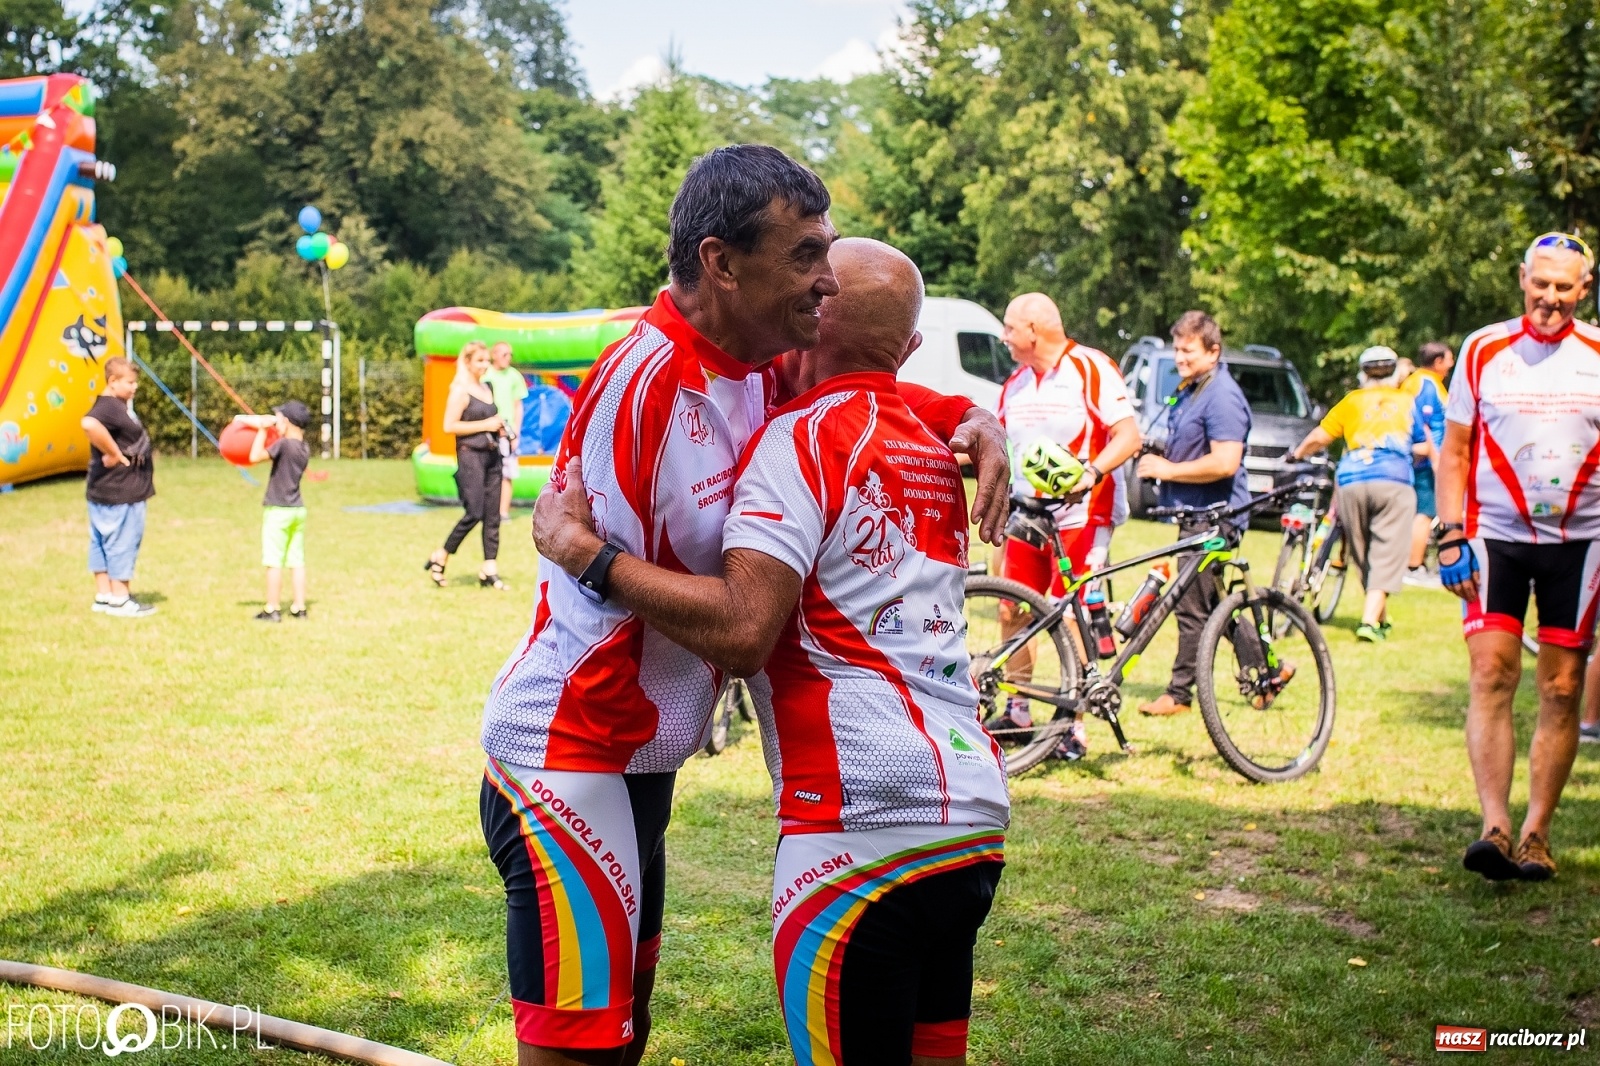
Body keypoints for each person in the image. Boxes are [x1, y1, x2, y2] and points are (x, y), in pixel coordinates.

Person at [476, 144, 1011, 1066]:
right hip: (572, 746)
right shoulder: (643, 384)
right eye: (806, 257)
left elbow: (861, 387)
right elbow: (733, 620)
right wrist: (585, 555)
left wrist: (970, 417)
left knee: (626, 1034)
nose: (824, 286)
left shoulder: (765, 365)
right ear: (722, 263)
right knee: (580, 1052)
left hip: (645, 757)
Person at [1437, 231, 1600, 883]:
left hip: (1581, 543)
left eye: (1565, 287)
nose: (1550, 298)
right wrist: (1449, 532)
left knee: (1562, 687)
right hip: (1492, 535)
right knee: (1491, 675)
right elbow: (1453, 450)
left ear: (1584, 289)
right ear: (1522, 278)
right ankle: (1495, 826)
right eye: (1541, 283)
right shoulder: (1483, 349)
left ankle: (1537, 833)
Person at [989, 291, 1142, 757]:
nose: (1004, 337)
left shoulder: (1089, 367)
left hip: (1083, 513)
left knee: (1070, 613)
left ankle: (1073, 723)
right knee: (1010, 607)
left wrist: (1093, 472)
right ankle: (1017, 711)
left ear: (1034, 330)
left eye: (1010, 327)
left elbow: (1129, 435)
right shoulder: (1014, 382)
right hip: (1027, 513)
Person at [1133, 311, 1252, 717]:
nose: (1179, 358)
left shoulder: (1222, 395)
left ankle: (1179, 694)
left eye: (1187, 351)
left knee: (1190, 606)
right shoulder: (1193, 389)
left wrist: (1168, 470)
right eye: (1177, 349)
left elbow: (1225, 461)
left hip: (1215, 518)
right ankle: (1268, 668)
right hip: (1193, 514)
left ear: (1213, 351)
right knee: (1212, 602)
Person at [1290, 346, 1431, 642]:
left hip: (1351, 478)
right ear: (1395, 372)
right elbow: (1423, 445)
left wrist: (1297, 454)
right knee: (1387, 549)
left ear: (1362, 372)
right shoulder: (1407, 403)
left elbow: (1320, 436)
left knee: (1362, 549)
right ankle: (1369, 621)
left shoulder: (1352, 401)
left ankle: (1379, 616)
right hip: (1393, 480)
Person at [427, 342, 509, 590]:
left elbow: (491, 421)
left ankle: (489, 569)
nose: (485, 365)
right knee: (475, 511)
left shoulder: (488, 387)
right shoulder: (460, 391)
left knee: (493, 515)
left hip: (493, 455)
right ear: (468, 362)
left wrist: (501, 430)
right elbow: (449, 426)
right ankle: (441, 555)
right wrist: (486, 424)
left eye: (487, 361)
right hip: (470, 456)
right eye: (480, 361)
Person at [81, 357, 156, 618]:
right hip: (121, 491)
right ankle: (120, 599)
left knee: (101, 542)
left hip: (103, 489)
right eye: (130, 382)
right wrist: (113, 453)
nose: (135, 387)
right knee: (122, 542)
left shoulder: (114, 405)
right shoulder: (109, 407)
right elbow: (88, 424)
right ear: (112, 382)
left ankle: (104, 595)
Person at [237, 400, 312, 621]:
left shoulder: (284, 444)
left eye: (279, 418)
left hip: (278, 510)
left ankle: (272, 609)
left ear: (287, 422)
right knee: (296, 561)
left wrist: (261, 430)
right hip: (297, 510)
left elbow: (254, 457)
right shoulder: (303, 447)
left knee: (274, 562)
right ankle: (299, 608)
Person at [1403, 341, 1454, 586]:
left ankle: (1415, 561)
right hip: (1425, 462)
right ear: (1437, 362)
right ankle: (1413, 564)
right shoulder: (1425, 385)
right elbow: (1424, 426)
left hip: (1425, 459)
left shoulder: (1422, 382)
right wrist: (1435, 458)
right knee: (1425, 511)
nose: (1451, 364)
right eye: (1448, 359)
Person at [483, 341, 529, 521]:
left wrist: (515, 433)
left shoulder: (514, 376)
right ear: (494, 355)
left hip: (506, 432)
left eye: (510, 354)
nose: (508, 358)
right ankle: (486, 510)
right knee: (487, 471)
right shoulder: (485, 374)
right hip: (487, 429)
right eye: (504, 354)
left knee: (507, 472)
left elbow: (518, 406)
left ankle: (503, 512)